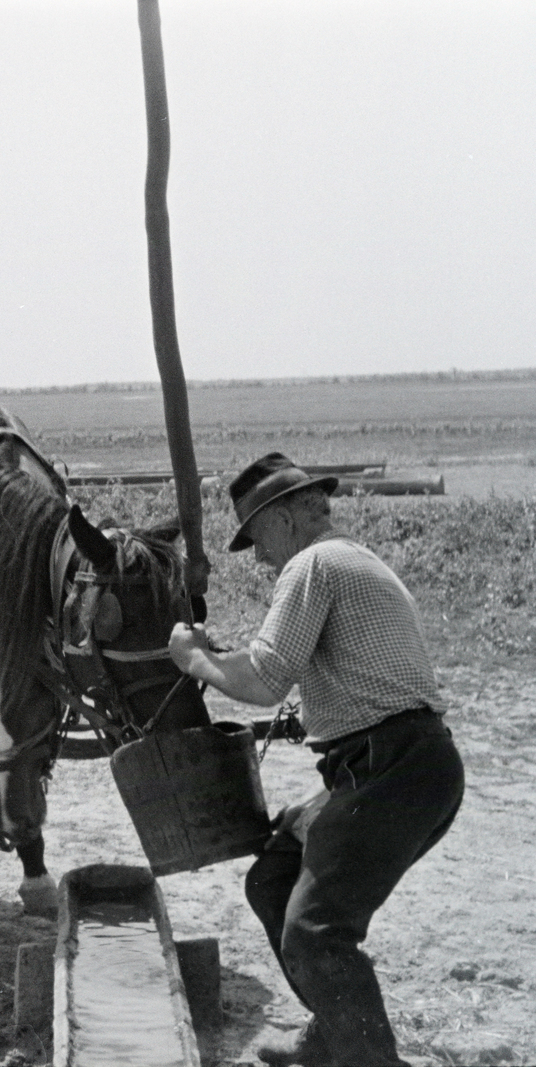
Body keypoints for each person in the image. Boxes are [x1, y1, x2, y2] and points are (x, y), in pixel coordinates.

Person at [168, 453, 464, 1067]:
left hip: (392, 768)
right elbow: (356, 679)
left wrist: (193, 659)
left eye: (255, 540)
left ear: (281, 521)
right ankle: (329, 1037)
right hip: (406, 762)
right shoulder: (355, 560)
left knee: (314, 932)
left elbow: (266, 677)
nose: (259, 557)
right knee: (274, 875)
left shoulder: (310, 564)